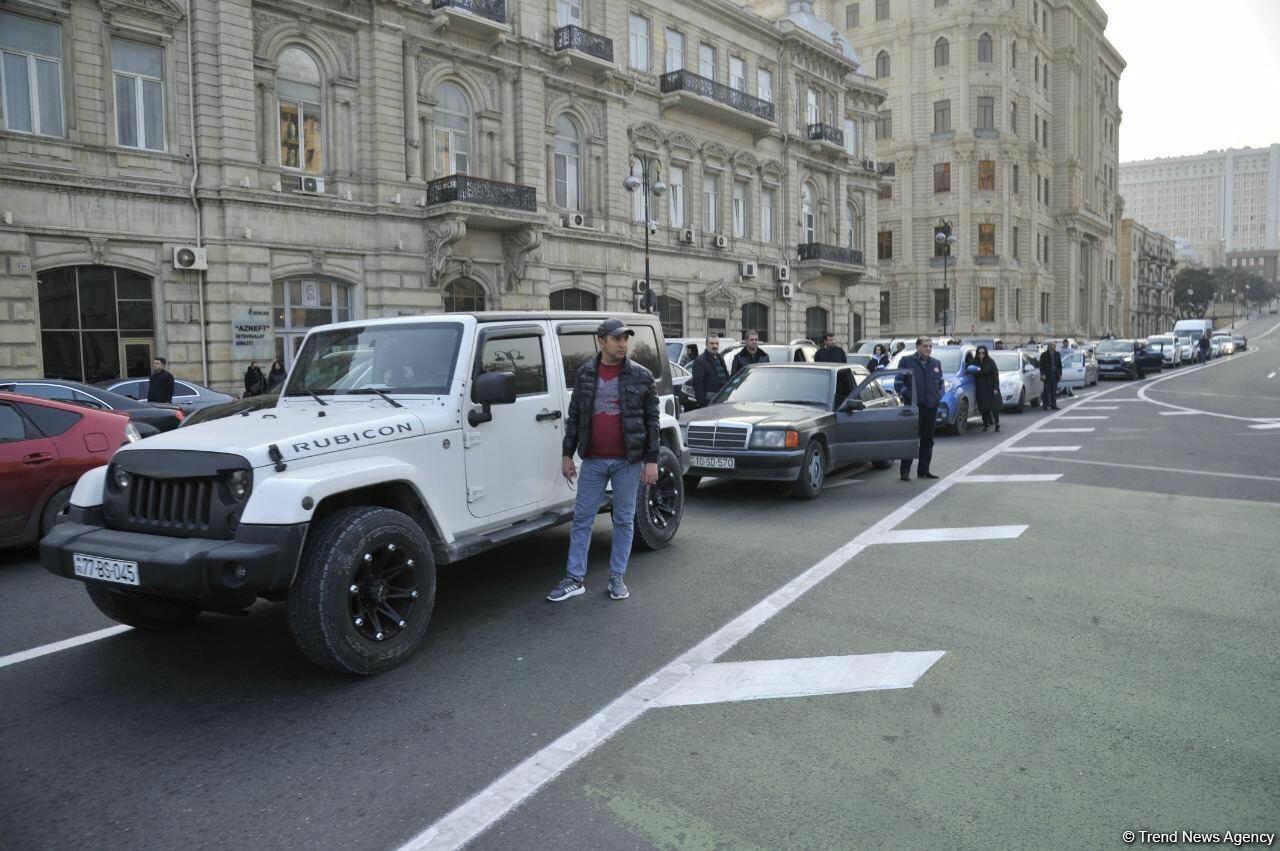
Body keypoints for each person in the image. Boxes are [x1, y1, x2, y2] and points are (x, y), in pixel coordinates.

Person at [548, 318, 660, 603]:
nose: (623, 344)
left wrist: (652, 459)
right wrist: (567, 454)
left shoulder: (642, 376)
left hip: (628, 462)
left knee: (623, 520)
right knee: (582, 520)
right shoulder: (585, 373)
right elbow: (575, 417)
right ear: (602, 341)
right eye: (617, 338)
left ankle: (616, 577)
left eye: (625, 339)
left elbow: (652, 420)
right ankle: (574, 579)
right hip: (593, 461)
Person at [894, 337, 945, 481]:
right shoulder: (907, 361)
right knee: (911, 439)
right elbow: (898, 383)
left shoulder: (936, 363)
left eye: (930, 346)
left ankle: (924, 470)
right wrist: (911, 396)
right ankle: (905, 471)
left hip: (931, 407)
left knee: (928, 440)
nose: (928, 349)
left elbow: (941, 383)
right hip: (914, 408)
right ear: (918, 347)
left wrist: (939, 396)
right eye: (925, 346)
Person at [689, 336, 730, 408]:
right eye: (712, 343)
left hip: (723, 401)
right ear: (706, 345)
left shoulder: (720, 358)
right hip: (710, 403)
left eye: (717, 343)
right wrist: (704, 403)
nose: (715, 346)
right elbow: (698, 385)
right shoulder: (700, 361)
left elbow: (727, 379)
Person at [968, 345, 1001, 432]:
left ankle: (997, 424)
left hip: (990, 386)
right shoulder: (975, 362)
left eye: (983, 353)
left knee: (994, 407)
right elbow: (969, 369)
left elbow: (995, 374)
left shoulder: (990, 362)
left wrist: (996, 388)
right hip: (981, 387)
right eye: (979, 353)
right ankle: (986, 424)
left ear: (986, 353)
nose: (981, 355)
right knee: (983, 407)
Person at [1038, 340, 1062, 409]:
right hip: (1047, 375)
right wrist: (1042, 374)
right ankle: (1046, 405)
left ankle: (1054, 405)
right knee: (1047, 391)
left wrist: (1060, 374)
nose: (1054, 346)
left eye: (1054, 345)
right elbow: (1041, 365)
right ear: (1049, 346)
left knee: (1053, 391)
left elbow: (1060, 365)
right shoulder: (1044, 355)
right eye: (1052, 345)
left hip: (1055, 375)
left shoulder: (1057, 354)